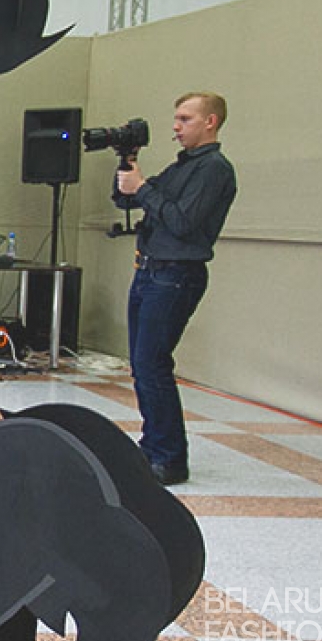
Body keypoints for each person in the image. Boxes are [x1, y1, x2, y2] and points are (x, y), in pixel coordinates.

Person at [114, 91, 237, 486]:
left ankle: (169, 457)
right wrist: (127, 165)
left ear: (210, 122)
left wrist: (142, 188)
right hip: (150, 271)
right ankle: (153, 446)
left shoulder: (214, 169)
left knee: (153, 364)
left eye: (185, 119)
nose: (176, 126)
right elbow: (126, 199)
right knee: (142, 365)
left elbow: (183, 222)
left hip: (175, 275)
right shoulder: (181, 167)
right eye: (177, 118)